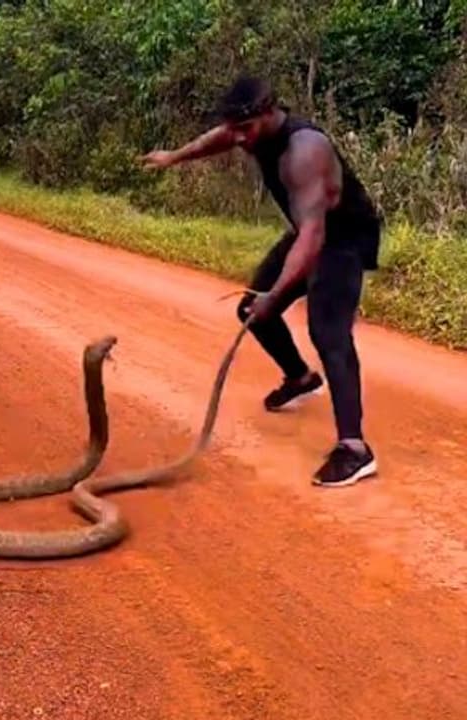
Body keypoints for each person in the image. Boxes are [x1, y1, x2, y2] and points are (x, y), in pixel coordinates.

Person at [140, 75, 381, 488]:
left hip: (342, 239)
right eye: (234, 128)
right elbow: (219, 137)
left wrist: (278, 292)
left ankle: (355, 449)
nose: (238, 139)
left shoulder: (305, 150)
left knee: (329, 334)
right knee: (253, 310)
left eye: (245, 129)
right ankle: (301, 378)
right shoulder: (247, 132)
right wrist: (174, 157)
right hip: (310, 230)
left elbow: (313, 237)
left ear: (269, 113)